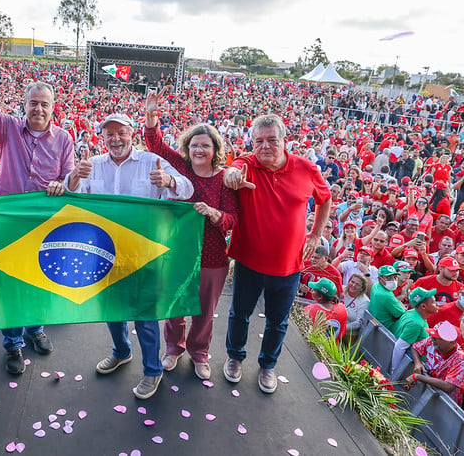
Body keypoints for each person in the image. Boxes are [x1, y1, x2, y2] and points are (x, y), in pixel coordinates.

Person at [65, 112, 193, 399]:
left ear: (132, 134)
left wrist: (169, 181)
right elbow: (71, 193)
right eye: (109, 133)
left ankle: (152, 371)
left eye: (121, 132)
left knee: (145, 314)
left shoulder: (151, 161)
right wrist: (74, 176)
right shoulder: (93, 165)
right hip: (106, 252)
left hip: (145, 254)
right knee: (113, 309)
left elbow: (188, 189)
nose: (116, 138)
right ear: (102, 137)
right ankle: (121, 352)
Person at [0, 42, 74, 375]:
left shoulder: (64, 139)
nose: (38, 109)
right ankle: (13, 344)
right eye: (33, 103)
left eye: (44, 104)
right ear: (25, 105)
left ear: (53, 107)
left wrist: (63, 182)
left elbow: (69, 175)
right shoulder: (9, 128)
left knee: (41, 278)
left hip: (44, 220)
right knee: (12, 281)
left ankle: (35, 329)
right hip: (9, 218)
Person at [222, 114, 331, 394]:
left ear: (285, 141)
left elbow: (325, 198)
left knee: (277, 321)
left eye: (272, 140)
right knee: (239, 314)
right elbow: (233, 169)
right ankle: (235, 357)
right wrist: (232, 173)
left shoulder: (306, 169)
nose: (265, 146)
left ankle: (268, 364)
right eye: (259, 141)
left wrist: (316, 233)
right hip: (248, 261)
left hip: (288, 266)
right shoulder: (248, 164)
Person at [143, 87, 239, 380]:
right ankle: (173, 348)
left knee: (204, 310)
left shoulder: (224, 179)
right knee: (175, 304)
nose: (199, 150)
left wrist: (214, 214)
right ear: (188, 148)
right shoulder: (180, 167)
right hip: (178, 251)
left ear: (215, 150)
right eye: (194, 145)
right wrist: (150, 116)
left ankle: (199, 352)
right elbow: (155, 144)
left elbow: (234, 218)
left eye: (205, 146)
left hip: (212, 256)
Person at [407, 321, 464, 405]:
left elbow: (449, 386)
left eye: (438, 337)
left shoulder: (460, 359)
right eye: (433, 335)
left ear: (451, 342)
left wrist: (418, 377)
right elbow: (415, 348)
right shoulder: (431, 341)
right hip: (428, 391)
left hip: (445, 403)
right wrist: (417, 363)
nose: (433, 338)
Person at [391, 287, 439, 370]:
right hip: (410, 366)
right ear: (423, 306)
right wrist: (394, 372)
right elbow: (399, 347)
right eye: (434, 302)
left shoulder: (413, 313)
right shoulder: (416, 324)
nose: (437, 304)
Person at [304, 278, 347, 342]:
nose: (311, 290)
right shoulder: (342, 308)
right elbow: (341, 333)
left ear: (320, 297)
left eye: (314, 290)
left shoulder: (310, 310)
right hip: (331, 349)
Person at [342, 273, 370, 339]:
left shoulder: (364, 302)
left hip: (348, 335)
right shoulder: (341, 290)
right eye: (352, 282)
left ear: (362, 288)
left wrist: (341, 328)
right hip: (332, 326)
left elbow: (358, 323)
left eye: (357, 284)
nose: (353, 285)